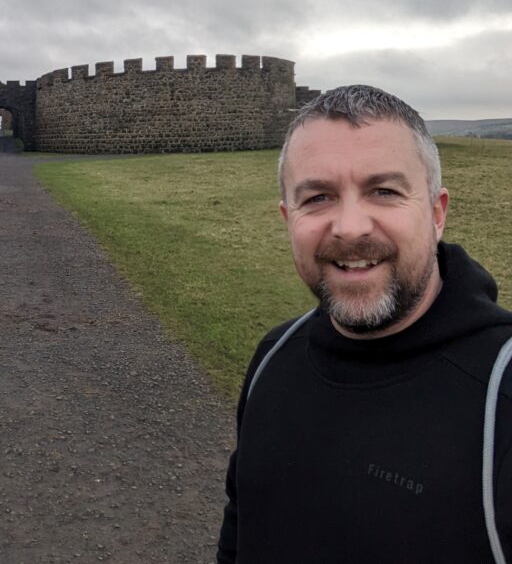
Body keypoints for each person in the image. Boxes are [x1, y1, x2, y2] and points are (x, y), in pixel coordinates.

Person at [217, 85, 512, 563]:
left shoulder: (503, 394)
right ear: (287, 217)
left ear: (437, 213)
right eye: (317, 197)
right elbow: (240, 530)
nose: (350, 227)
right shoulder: (274, 356)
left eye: (384, 191)